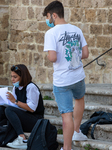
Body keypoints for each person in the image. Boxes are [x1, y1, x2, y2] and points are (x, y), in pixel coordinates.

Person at [42, 1, 89, 150]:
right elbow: (86, 54)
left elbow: (53, 57)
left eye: (48, 17)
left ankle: (67, 148)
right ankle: (76, 132)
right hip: (78, 76)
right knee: (79, 99)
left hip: (62, 80)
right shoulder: (77, 30)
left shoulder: (51, 33)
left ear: (54, 15)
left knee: (66, 114)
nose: (48, 20)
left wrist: (51, 55)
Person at [0, 64, 45, 149]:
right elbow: (14, 105)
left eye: (15, 77)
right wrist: (1, 103)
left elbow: (32, 108)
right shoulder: (16, 88)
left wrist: (15, 101)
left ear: (22, 77)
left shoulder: (31, 87)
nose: (12, 79)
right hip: (24, 117)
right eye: (11, 76)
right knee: (0, 109)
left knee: (9, 110)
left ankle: (22, 139)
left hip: (36, 120)